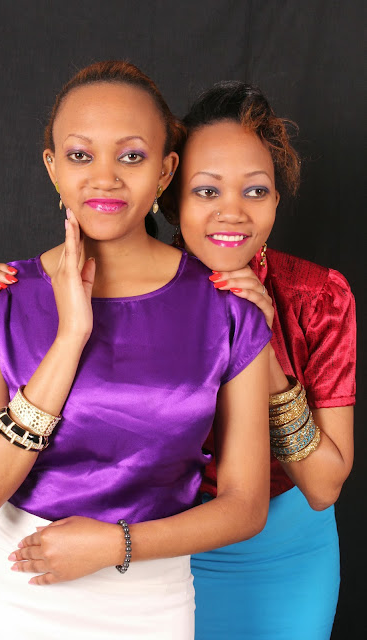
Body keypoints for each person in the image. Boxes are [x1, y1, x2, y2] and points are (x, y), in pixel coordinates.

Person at [0, 63, 272, 640]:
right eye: (80, 155)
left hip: (151, 602)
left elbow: (246, 506)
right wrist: (70, 337)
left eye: (131, 156)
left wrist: (116, 545)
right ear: (52, 167)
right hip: (16, 589)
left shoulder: (227, 309)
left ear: (165, 169)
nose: (104, 178)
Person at [160, 81, 355, 639]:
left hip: (288, 557)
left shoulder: (318, 297)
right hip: (161, 551)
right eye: (207, 190)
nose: (232, 213)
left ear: (275, 200)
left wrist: (260, 342)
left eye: (255, 190)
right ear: (171, 198)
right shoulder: (136, 294)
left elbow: (323, 486)